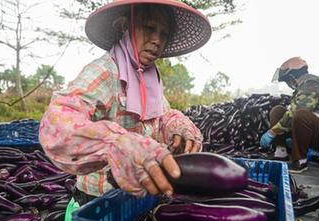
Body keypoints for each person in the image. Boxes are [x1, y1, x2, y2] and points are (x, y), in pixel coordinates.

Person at [39, 0, 212, 205]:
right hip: (100, 199)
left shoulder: (149, 77)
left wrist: (178, 126)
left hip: (140, 194)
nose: (156, 40)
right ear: (125, 26)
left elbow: (161, 116)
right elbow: (57, 122)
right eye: (149, 28)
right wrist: (115, 142)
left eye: (163, 34)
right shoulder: (104, 71)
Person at [260, 57, 319, 173]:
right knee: (278, 111)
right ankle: (281, 152)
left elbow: (298, 110)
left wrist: (272, 132)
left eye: (287, 80)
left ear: (292, 77)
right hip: (316, 125)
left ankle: (300, 161)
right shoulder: (303, 86)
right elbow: (291, 110)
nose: (288, 84)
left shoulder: (311, 83)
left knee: (301, 114)